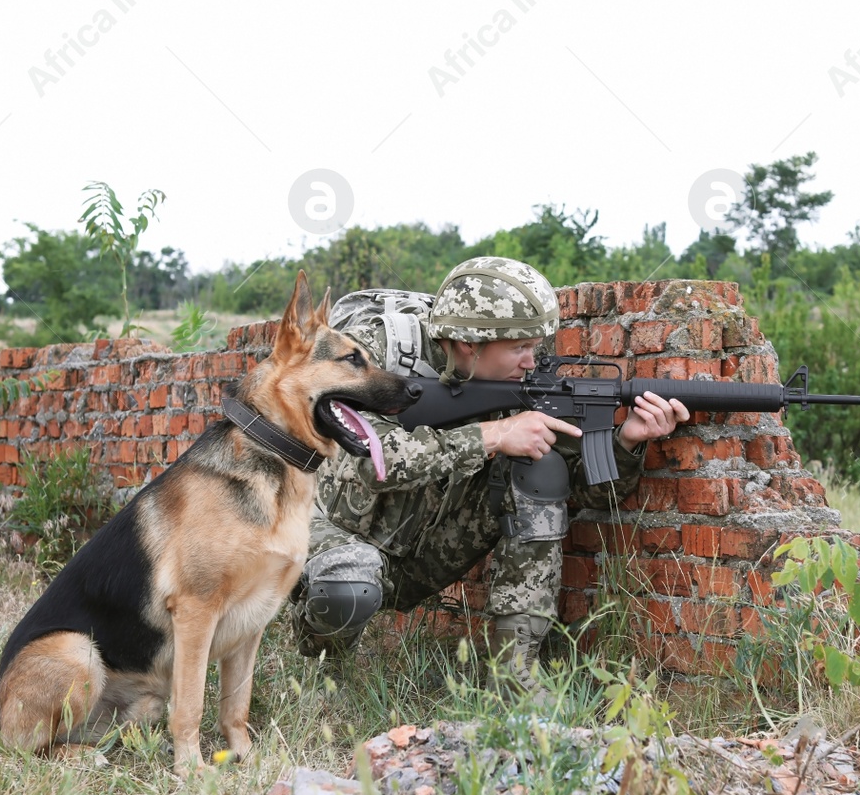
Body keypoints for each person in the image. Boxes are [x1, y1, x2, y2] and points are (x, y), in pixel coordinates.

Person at [290, 256, 689, 689]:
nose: (531, 361)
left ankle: (513, 676)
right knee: (349, 583)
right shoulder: (373, 350)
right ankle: (320, 660)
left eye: (535, 346)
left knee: (544, 468)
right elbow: (374, 461)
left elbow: (585, 492)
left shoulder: (522, 368)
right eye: (519, 349)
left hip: (431, 551)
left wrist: (627, 441)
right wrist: (494, 435)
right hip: (340, 533)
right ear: (467, 344)